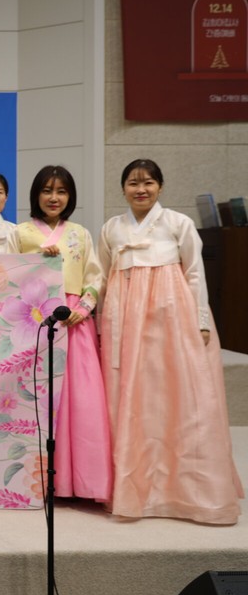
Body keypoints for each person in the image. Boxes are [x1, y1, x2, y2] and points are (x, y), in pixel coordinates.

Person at [99, 159, 243, 524]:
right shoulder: (111, 228)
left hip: (170, 318)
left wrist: (201, 321)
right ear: (123, 189)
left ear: (160, 187)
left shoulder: (179, 223)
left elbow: (195, 273)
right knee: (128, 398)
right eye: (133, 183)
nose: (141, 189)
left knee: (176, 398)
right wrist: (101, 325)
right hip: (123, 321)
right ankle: (132, 489)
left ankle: (183, 492)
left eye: (148, 182)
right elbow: (102, 278)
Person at [6, 165, 111, 502]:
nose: (54, 198)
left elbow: (95, 276)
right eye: (47, 190)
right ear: (35, 194)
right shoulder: (20, 233)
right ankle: (37, 481)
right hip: (36, 319)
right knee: (38, 397)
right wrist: (35, 261)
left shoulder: (81, 234)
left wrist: (85, 306)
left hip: (73, 320)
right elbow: (4, 274)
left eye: (62, 191)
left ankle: (80, 482)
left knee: (80, 399)